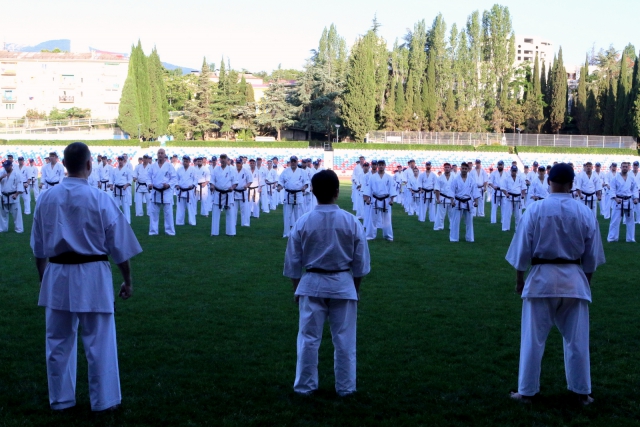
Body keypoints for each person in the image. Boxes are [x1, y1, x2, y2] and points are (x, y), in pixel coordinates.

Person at [30, 142, 142, 412]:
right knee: (100, 340)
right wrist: (127, 280)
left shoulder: (46, 198)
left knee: (57, 341)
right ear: (90, 165)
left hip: (57, 273)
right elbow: (119, 246)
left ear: (64, 165)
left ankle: (61, 400)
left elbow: (38, 247)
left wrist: (43, 277)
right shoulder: (100, 198)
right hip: (93, 275)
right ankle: (104, 401)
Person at [506, 163, 605, 405]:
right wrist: (586, 281)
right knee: (577, 340)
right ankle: (582, 393)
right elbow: (591, 257)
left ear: (549, 181)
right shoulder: (584, 212)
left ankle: (526, 392)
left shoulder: (535, 209)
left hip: (541, 279)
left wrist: (519, 279)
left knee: (533, 339)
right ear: (572, 184)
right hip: (574, 279)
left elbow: (522, 249)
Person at [284, 169, 370, 397]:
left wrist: (296, 289)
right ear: (337, 192)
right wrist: (356, 289)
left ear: (312, 191)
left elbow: (293, 262)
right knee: (345, 340)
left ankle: (305, 386)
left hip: (311, 284)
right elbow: (360, 263)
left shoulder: (303, 222)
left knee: (308, 339)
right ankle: (346, 387)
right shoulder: (351, 221)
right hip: (343, 283)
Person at [365, 160, 397, 241]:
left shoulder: (389, 177)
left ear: (385, 166)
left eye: (382, 165)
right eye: (380, 165)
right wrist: (367, 199)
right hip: (375, 199)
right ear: (377, 166)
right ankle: (370, 236)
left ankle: (388, 236)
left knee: (387, 220)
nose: (381, 166)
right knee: (372, 219)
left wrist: (392, 200)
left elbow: (392, 189)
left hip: (386, 200)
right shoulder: (372, 177)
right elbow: (368, 188)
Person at [607, 161, 639, 243]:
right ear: (620, 168)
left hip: (629, 201)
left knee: (631, 221)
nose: (625, 168)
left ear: (628, 168)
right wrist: (615, 198)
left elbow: (634, 189)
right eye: (623, 166)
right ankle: (612, 238)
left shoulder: (631, 178)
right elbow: (612, 189)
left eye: (626, 167)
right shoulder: (615, 178)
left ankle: (630, 238)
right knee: (615, 221)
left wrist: (635, 198)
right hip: (619, 201)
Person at [148, 148, 177, 236]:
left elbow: (174, 178)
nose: (160, 154)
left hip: (166, 192)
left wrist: (168, 185)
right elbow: (148, 177)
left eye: (162, 153)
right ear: (157, 155)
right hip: (155, 191)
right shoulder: (153, 166)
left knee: (168, 213)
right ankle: (153, 231)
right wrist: (149, 184)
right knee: (154, 213)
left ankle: (169, 231)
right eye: (159, 153)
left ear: (164, 155)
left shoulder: (169, 166)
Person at [278, 156, 309, 238]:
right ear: (290, 162)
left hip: (298, 194)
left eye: (295, 161)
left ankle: (299, 233)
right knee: (287, 215)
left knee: (298, 215)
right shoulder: (285, 171)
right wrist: (279, 187)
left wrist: (304, 187)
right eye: (292, 161)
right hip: (288, 195)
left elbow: (306, 182)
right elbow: (281, 181)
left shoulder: (302, 171)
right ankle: (286, 233)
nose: (293, 163)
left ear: (297, 162)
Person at [450, 163, 480, 242]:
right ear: (460, 169)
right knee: (455, 221)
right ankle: (454, 238)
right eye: (462, 168)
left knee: (469, 222)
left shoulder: (471, 180)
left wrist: (476, 201)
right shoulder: (456, 180)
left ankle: (470, 238)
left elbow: (475, 191)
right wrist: (452, 201)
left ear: (468, 170)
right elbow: (452, 191)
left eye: (465, 169)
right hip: (458, 201)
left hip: (468, 202)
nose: (464, 170)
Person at [210, 154, 238, 236]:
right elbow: (212, 181)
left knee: (230, 213)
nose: (222, 160)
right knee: (215, 213)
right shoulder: (216, 169)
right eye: (221, 158)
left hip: (228, 194)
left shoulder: (231, 169)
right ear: (220, 160)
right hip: (218, 193)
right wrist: (212, 186)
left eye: (224, 158)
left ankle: (231, 232)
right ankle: (214, 232)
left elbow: (235, 182)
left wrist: (232, 188)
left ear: (227, 160)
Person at [0, 160, 24, 233]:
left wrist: (16, 194)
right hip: (4, 196)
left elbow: (20, 185)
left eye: (7, 167)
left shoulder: (17, 174)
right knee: (3, 214)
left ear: (11, 166)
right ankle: (3, 229)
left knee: (16, 215)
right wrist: (1, 177)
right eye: (5, 167)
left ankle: (19, 229)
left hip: (13, 195)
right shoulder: (2, 173)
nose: (6, 168)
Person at [501, 165, 527, 232]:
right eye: (513, 171)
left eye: (515, 171)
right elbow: (503, 188)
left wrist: (523, 194)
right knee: (507, 214)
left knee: (518, 214)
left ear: (516, 171)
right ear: (511, 171)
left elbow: (524, 188)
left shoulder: (520, 179)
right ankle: (505, 228)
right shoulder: (507, 179)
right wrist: (506, 194)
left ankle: (518, 228)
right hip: (509, 197)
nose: (514, 172)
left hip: (518, 198)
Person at [175, 155, 197, 226]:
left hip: (189, 191)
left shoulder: (193, 169)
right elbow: (176, 179)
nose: (185, 162)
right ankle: (180, 222)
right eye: (184, 161)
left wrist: (193, 185)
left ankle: (192, 222)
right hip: (181, 191)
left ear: (189, 162)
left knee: (191, 208)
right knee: (180, 208)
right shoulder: (179, 169)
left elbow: (195, 180)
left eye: (186, 161)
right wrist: (177, 185)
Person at [434, 163, 455, 231]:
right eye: (445, 167)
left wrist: (455, 199)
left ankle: (452, 227)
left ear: (450, 168)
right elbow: (437, 189)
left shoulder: (454, 178)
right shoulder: (440, 178)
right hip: (442, 198)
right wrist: (438, 199)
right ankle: (439, 227)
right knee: (440, 214)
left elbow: (456, 189)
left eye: (448, 167)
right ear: (444, 168)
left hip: (452, 199)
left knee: (452, 215)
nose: (447, 168)